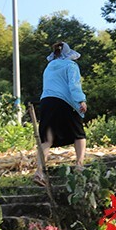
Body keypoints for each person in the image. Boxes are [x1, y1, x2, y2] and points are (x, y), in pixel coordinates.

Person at [34, 41, 87, 186]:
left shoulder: (49, 67)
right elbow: (74, 85)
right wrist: (81, 100)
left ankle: (39, 172)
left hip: (46, 102)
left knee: (47, 139)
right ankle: (79, 166)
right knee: (79, 134)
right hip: (64, 102)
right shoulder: (71, 65)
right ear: (69, 54)